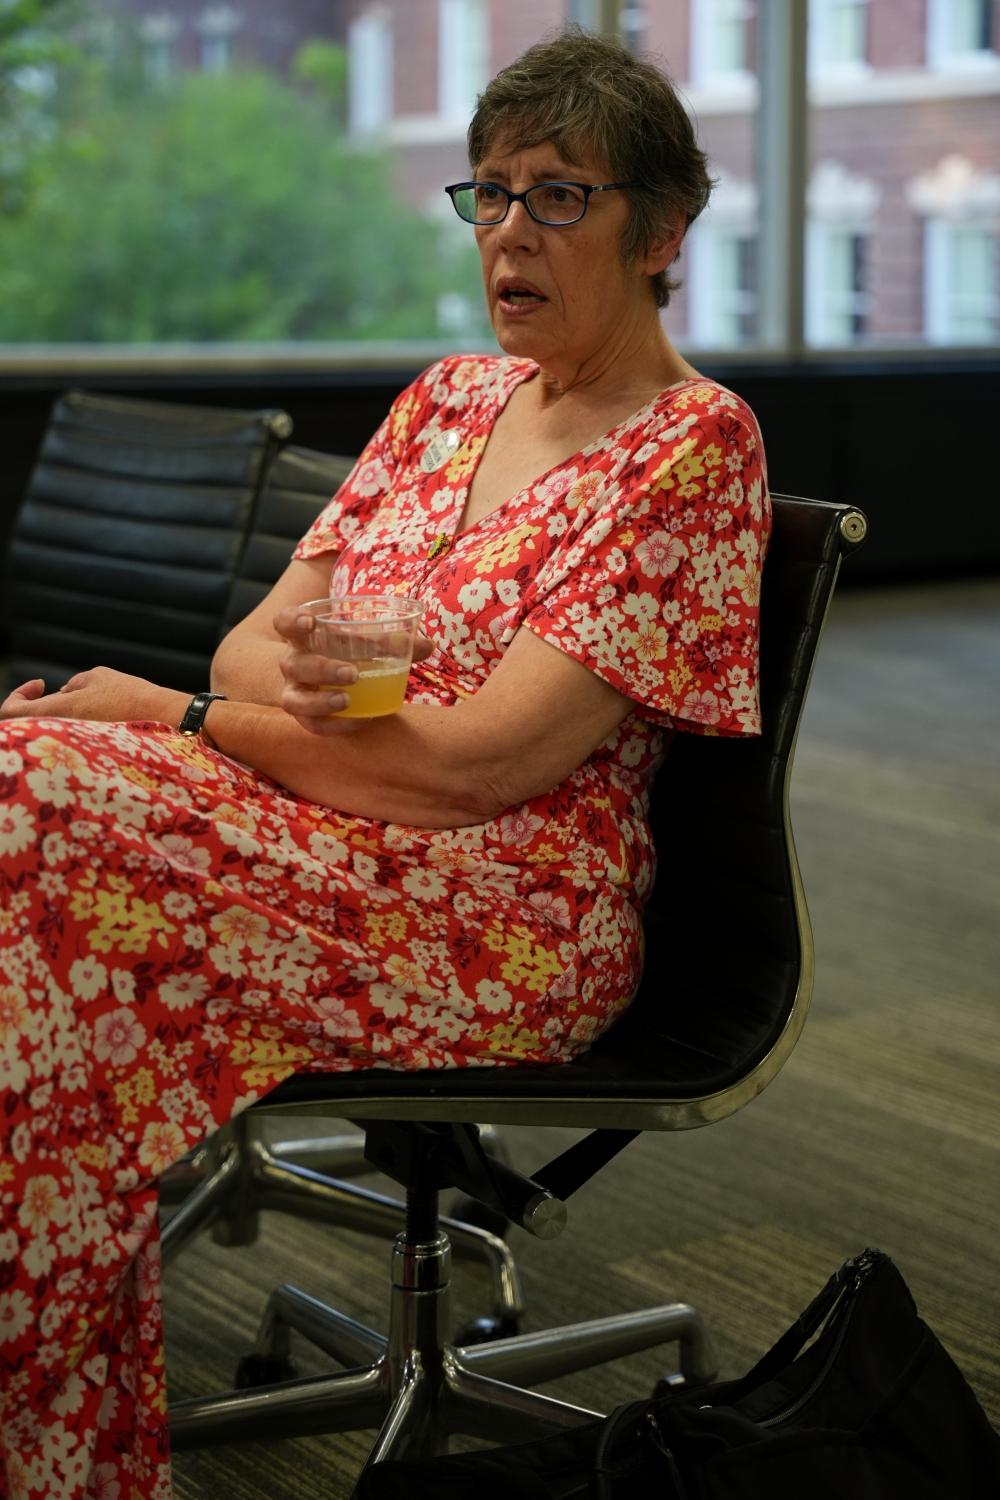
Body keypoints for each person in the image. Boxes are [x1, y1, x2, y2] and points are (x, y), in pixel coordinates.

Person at [0, 25, 769, 1500]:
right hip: (329, 830)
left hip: (504, 917)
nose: (509, 234)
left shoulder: (691, 448)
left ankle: (59, 1440)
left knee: (37, 804)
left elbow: (473, 773)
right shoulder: (447, 402)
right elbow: (256, 653)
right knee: (23, 798)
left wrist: (183, 719)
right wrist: (318, 712)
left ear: (664, 230)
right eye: (491, 193)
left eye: (560, 196)